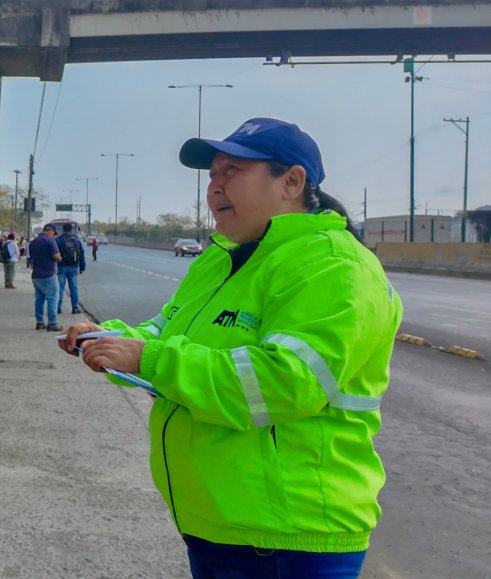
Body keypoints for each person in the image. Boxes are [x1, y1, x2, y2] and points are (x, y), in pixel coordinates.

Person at [59, 118, 402, 579]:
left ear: (292, 182)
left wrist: (146, 358)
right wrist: (108, 338)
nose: (214, 187)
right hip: (217, 525)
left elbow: (281, 383)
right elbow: (165, 331)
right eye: (212, 175)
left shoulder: (332, 265)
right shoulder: (222, 258)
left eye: (232, 171)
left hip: (287, 540)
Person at [27, 223, 62, 331]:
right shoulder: (50, 241)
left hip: (36, 276)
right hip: (48, 275)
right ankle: (52, 323)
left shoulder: (33, 242)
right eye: (54, 234)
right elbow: (56, 257)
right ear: (50, 231)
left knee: (39, 299)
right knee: (53, 299)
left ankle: (40, 323)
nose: (54, 236)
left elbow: (31, 257)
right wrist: (60, 257)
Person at [55, 222, 86, 314]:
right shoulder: (76, 240)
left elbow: (54, 253)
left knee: (60, 288)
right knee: (74, 288)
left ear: (63, 230)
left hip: (61, 266)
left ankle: (58, 307)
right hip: (73, 266)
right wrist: (82, 267)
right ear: (72, 230)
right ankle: (75, 307)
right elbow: (81, 254)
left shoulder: (58, 240)